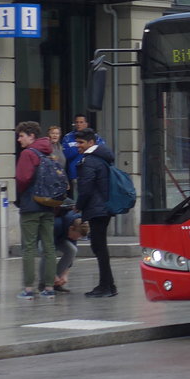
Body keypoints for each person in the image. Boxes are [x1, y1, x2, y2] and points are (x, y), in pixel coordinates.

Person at [14, 121, 57, 300]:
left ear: (31, 136)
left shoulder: (28, 154)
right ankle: (49, 287)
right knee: (49, 247)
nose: (19, 139)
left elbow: (22, 179)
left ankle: (29, 289)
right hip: (48, 204)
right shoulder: (48, 152)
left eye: (21, 136)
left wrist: (20, 197)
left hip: (31, 205)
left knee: (29, 247)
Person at [74, 127, 117, 297]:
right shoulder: (102, 158)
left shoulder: (90, 160)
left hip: (97, 209)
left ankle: (105, 286)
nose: (78, 146)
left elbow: (86, 188)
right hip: (103, 208)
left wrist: (79, 205)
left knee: (99, 247)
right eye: (77, 142)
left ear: (91, 142)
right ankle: (109, 285)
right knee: (100, 247)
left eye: (81, 142)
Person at [61, 114, 105, 185]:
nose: (79, 124)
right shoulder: (68, 137)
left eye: (81, 122)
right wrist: (83, 147)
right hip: (75, 174)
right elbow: (66, 155)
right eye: (77, 122)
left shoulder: (95, 137)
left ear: (86, 124)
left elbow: (101, 152)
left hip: (93, 173)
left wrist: (78, 147)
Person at [48, 203, 83, 292]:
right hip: (44, 239)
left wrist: (65, 274)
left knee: (72, 250)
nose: (75, 239)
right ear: (71, 228)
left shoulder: (75, 228)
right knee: (47, 255)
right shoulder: (57, 225)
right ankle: (45, 284)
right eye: (75, 236)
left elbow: (71, 256)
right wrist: (53, 275)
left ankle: (56, 284)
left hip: (60, 237)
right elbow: (49, 251)